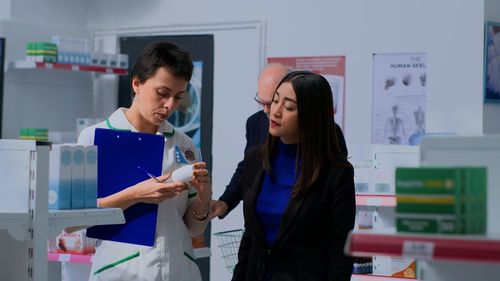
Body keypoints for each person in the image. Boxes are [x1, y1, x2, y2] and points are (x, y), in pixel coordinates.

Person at [77, 42, 212, 281]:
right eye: (162, 93)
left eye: (178, 97)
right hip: (121, 272)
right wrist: (137, 194)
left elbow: (194, 228)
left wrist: (203, 197)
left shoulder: (184, 145)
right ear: (136, 84)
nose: (170, 105)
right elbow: (75, 220)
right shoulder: (94, 138)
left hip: (178, 270)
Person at [232, 71, 355, 281]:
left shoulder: (335, 173)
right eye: (275, 101)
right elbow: (250, 235)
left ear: (311, 115)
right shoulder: (256, 159)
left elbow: (340, 250)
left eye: (288, 107)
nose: (275, 112)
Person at [210, 63, 348, 219]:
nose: (269, 111)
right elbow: (247, 168)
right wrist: (225, 201)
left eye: (283, 105)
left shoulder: (327, 134)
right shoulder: (255, 124)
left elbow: (336, 197)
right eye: (264, 102)